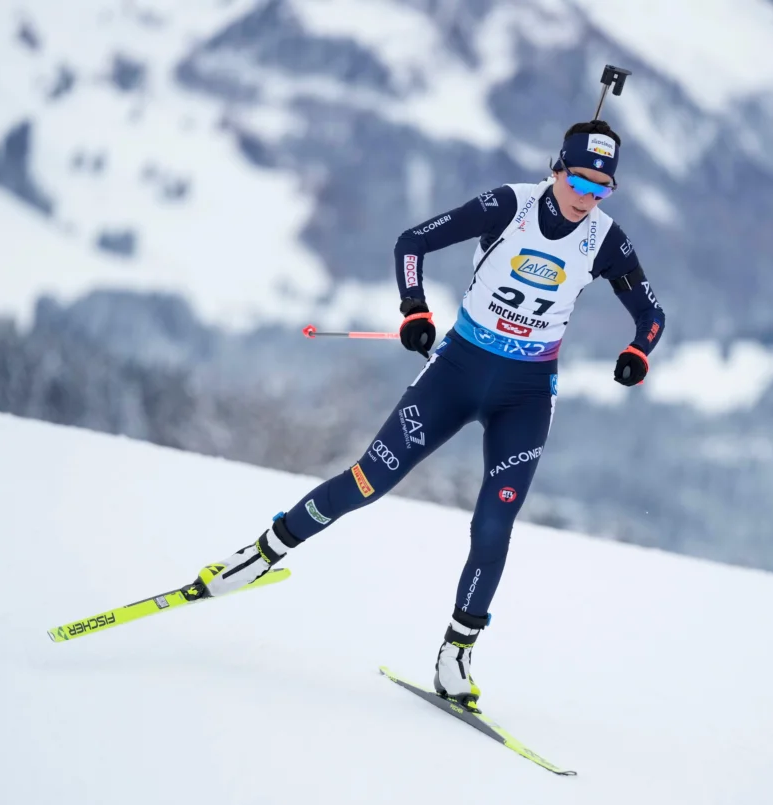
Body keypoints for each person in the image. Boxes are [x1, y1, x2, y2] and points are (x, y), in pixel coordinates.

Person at [191, 119, 666, 707]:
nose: (587, 197)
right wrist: (414, 309)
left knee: (494, 522)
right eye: (580, 181)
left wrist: (637, 353)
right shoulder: (508, 206)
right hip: (457, 372)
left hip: (525, 394)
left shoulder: (606, 240)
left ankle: (456, 653)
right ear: (557, 169)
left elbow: (651, 315)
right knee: (368, 479)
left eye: (602, 188)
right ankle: (263, 552)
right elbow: (411, 242)